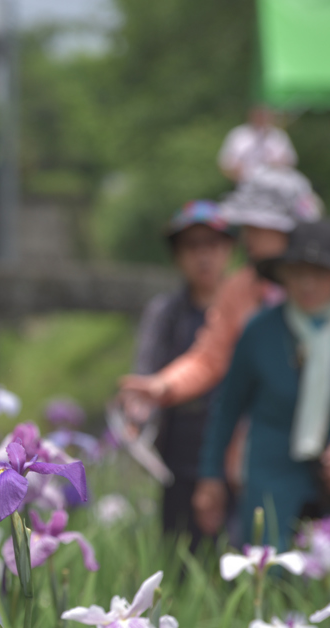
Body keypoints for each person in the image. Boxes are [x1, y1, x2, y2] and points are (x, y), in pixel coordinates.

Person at [120, 167, 323, 410]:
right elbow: (209, 357)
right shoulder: (240, 289)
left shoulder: (328, 286)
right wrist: (164, 384)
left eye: (257, 229)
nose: (248, 238)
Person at [195, 219, 330, 548]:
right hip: (272, 470)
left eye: (320, 272)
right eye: (297, 271)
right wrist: (210, 477)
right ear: (282, 274)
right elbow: (227, 406)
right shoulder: (260, 331)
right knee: (269, 572)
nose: (307, 283)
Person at [133, 201, 236, 545]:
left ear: (229, 250)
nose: (203, 256)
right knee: (179, 546)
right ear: (177, 255)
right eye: (192, 246)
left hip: (236, 445)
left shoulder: (248, 310)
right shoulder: (166, 312)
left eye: (212, 245)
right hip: (179, 444)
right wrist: (138, 407)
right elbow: (147, 370)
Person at [218, 105, 297, 182]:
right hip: (246, 185)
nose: (261, 117)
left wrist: (278, 164)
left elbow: (290, 162)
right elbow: (225, 164)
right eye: (259, 114)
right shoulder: (238, 135)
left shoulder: (279, 136)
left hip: (277, 184)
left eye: (264, 114)